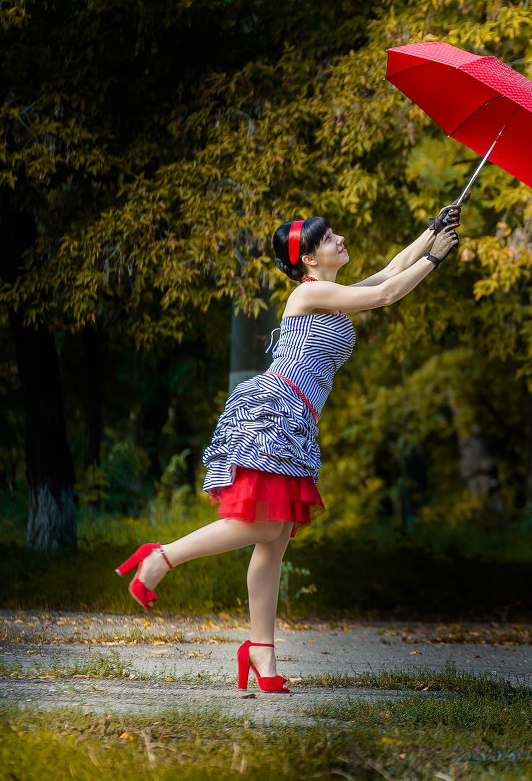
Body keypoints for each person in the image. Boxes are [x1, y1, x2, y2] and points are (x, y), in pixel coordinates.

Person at [114, 206, 462, 693]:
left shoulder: (331, 295)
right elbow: (386, 293)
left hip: (296, 418)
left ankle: (262, 653)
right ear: (309, 261)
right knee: (263, 524)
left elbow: (387, 273)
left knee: (272, 543)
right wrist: (436, 260)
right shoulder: (308, 293)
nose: (340, 239)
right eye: (329, 238)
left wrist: (430, 233)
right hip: (274, 409)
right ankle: (161, 557)